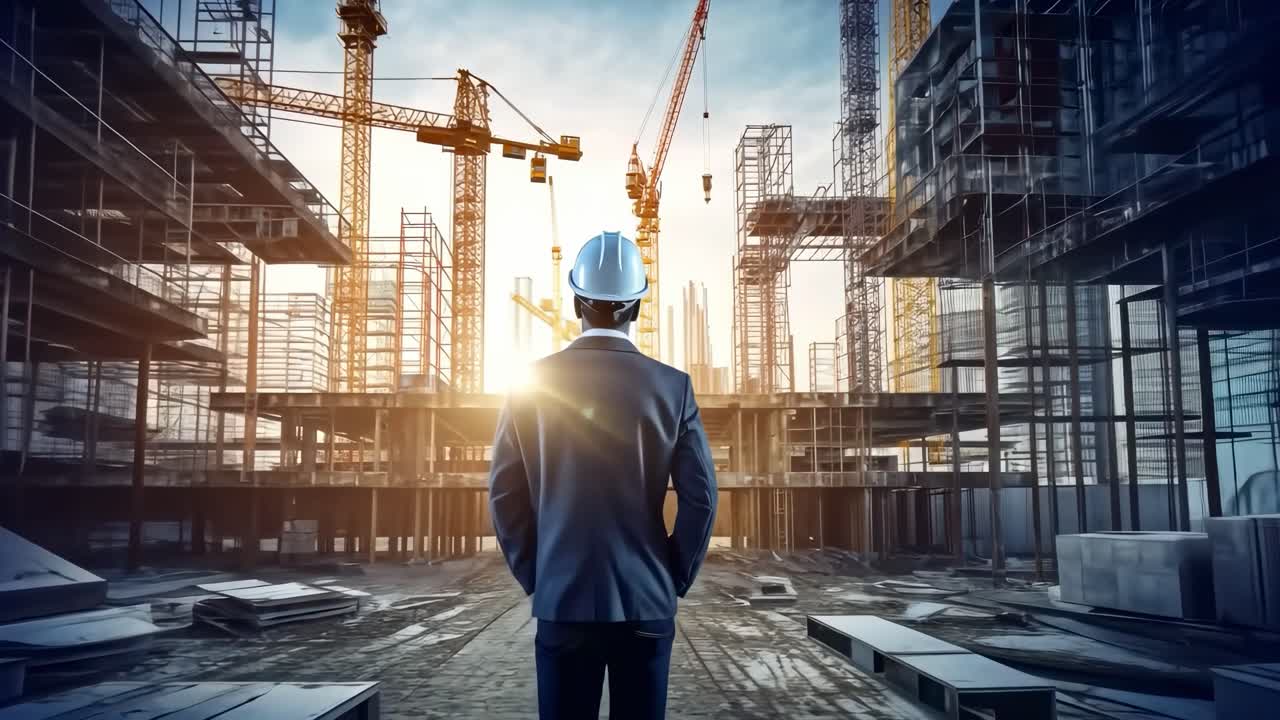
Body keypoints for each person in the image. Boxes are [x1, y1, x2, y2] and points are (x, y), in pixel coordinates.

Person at [488, 231, 718, 720]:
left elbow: (505, 495)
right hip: (646, 602)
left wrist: (539, 576)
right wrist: (672, 576)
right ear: (636, 308)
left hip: (562, 601)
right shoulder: (673, 388)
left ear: (575, 302)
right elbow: (701, 498)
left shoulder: (528, 386)